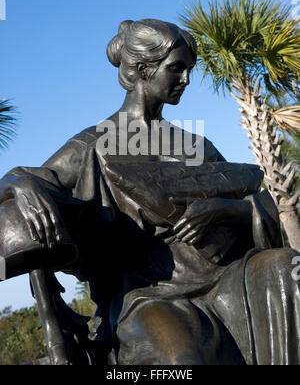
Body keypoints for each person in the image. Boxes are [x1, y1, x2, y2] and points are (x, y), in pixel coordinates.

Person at [0, 19, 299, 365]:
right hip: (148, 294)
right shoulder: (95, 145)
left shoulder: (197, 146)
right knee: (179, 359)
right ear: (143, 70)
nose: (186, 80)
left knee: (286, 267)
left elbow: (254, 207)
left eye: (188, 70)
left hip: (224, 276)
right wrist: (21, 185)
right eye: (177, 69)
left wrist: (222, 209)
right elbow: (18, 181)